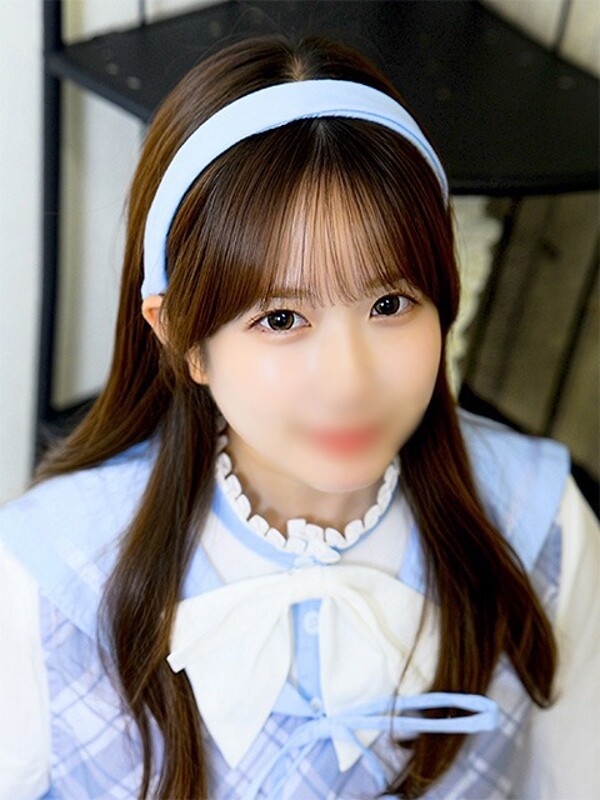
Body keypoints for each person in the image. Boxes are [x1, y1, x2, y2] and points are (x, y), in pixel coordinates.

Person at [0, 35, 598, 800]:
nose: (349, 382)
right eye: (281, 318)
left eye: (390, 303)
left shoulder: (540, 526)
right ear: (182, 335)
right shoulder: (54, 573)